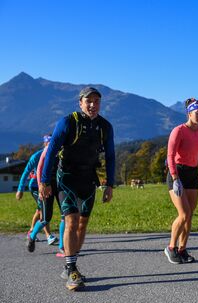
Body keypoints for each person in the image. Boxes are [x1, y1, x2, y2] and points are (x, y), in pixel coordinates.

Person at [39, 87, 115, 291]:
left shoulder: (105, 127)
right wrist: (44, 182)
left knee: (82, 225)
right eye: (88, 101)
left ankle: (70, 263)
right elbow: (51, 152)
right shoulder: (67, 122)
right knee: (71, 221)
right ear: (80, 103)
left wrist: (109, 184)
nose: (92, 105)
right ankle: (71, 268)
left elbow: (110, 157)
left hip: (89, 179)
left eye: (97, 101)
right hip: (67, 178)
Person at [165, 98, 198, 264]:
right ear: (189, 113)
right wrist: (174, 178)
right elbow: (170, 156)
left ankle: (182, 249)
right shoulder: (178, 131)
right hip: (178, 173)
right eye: (197, 113)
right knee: (184, 213)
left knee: (190, 215)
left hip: (192, 173)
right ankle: (171, 248)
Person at [16, 136, 58, 249]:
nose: (50, 144)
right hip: (35, 186)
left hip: (47, 185)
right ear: (44, 144)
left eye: (52, 142)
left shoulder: (56, 153)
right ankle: (48, 236)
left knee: (40, 210)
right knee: (42, 210)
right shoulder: (36, 156)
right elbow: (26, 172)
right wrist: (20, 189)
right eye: (48, 143)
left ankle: (31, 231)